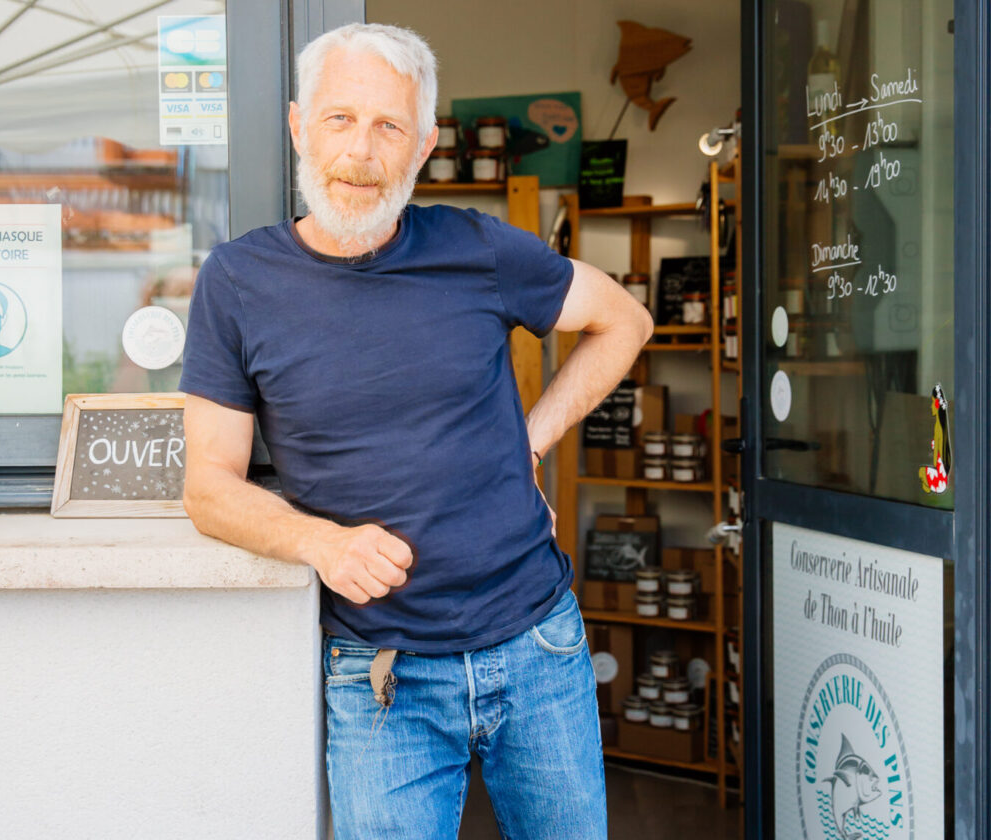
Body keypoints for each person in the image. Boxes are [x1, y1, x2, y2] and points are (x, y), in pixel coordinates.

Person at [179, 22, 653, 839]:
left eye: (389, 126)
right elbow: (208, 487)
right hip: (381, 676)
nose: (361, 151)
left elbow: (625, 321)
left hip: (538, 645)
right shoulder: (237, 282)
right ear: (299, 126)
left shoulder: (477, 249)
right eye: (340, 118)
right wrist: (322, 543)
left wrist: (529, 441)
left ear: (425, 145)